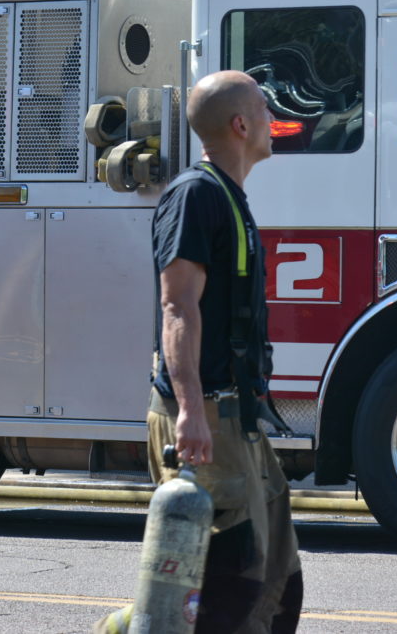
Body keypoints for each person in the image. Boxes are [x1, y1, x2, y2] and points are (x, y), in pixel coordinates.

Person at [147, 70, 303, 633]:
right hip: (207, 417)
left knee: (277, 588)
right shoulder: (195, 195)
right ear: (240, 125)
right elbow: (177, 307)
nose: (272, 118)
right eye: (264, 108)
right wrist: (190, 411)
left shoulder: (228, 195)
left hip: (240, 421)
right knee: (227, 591)